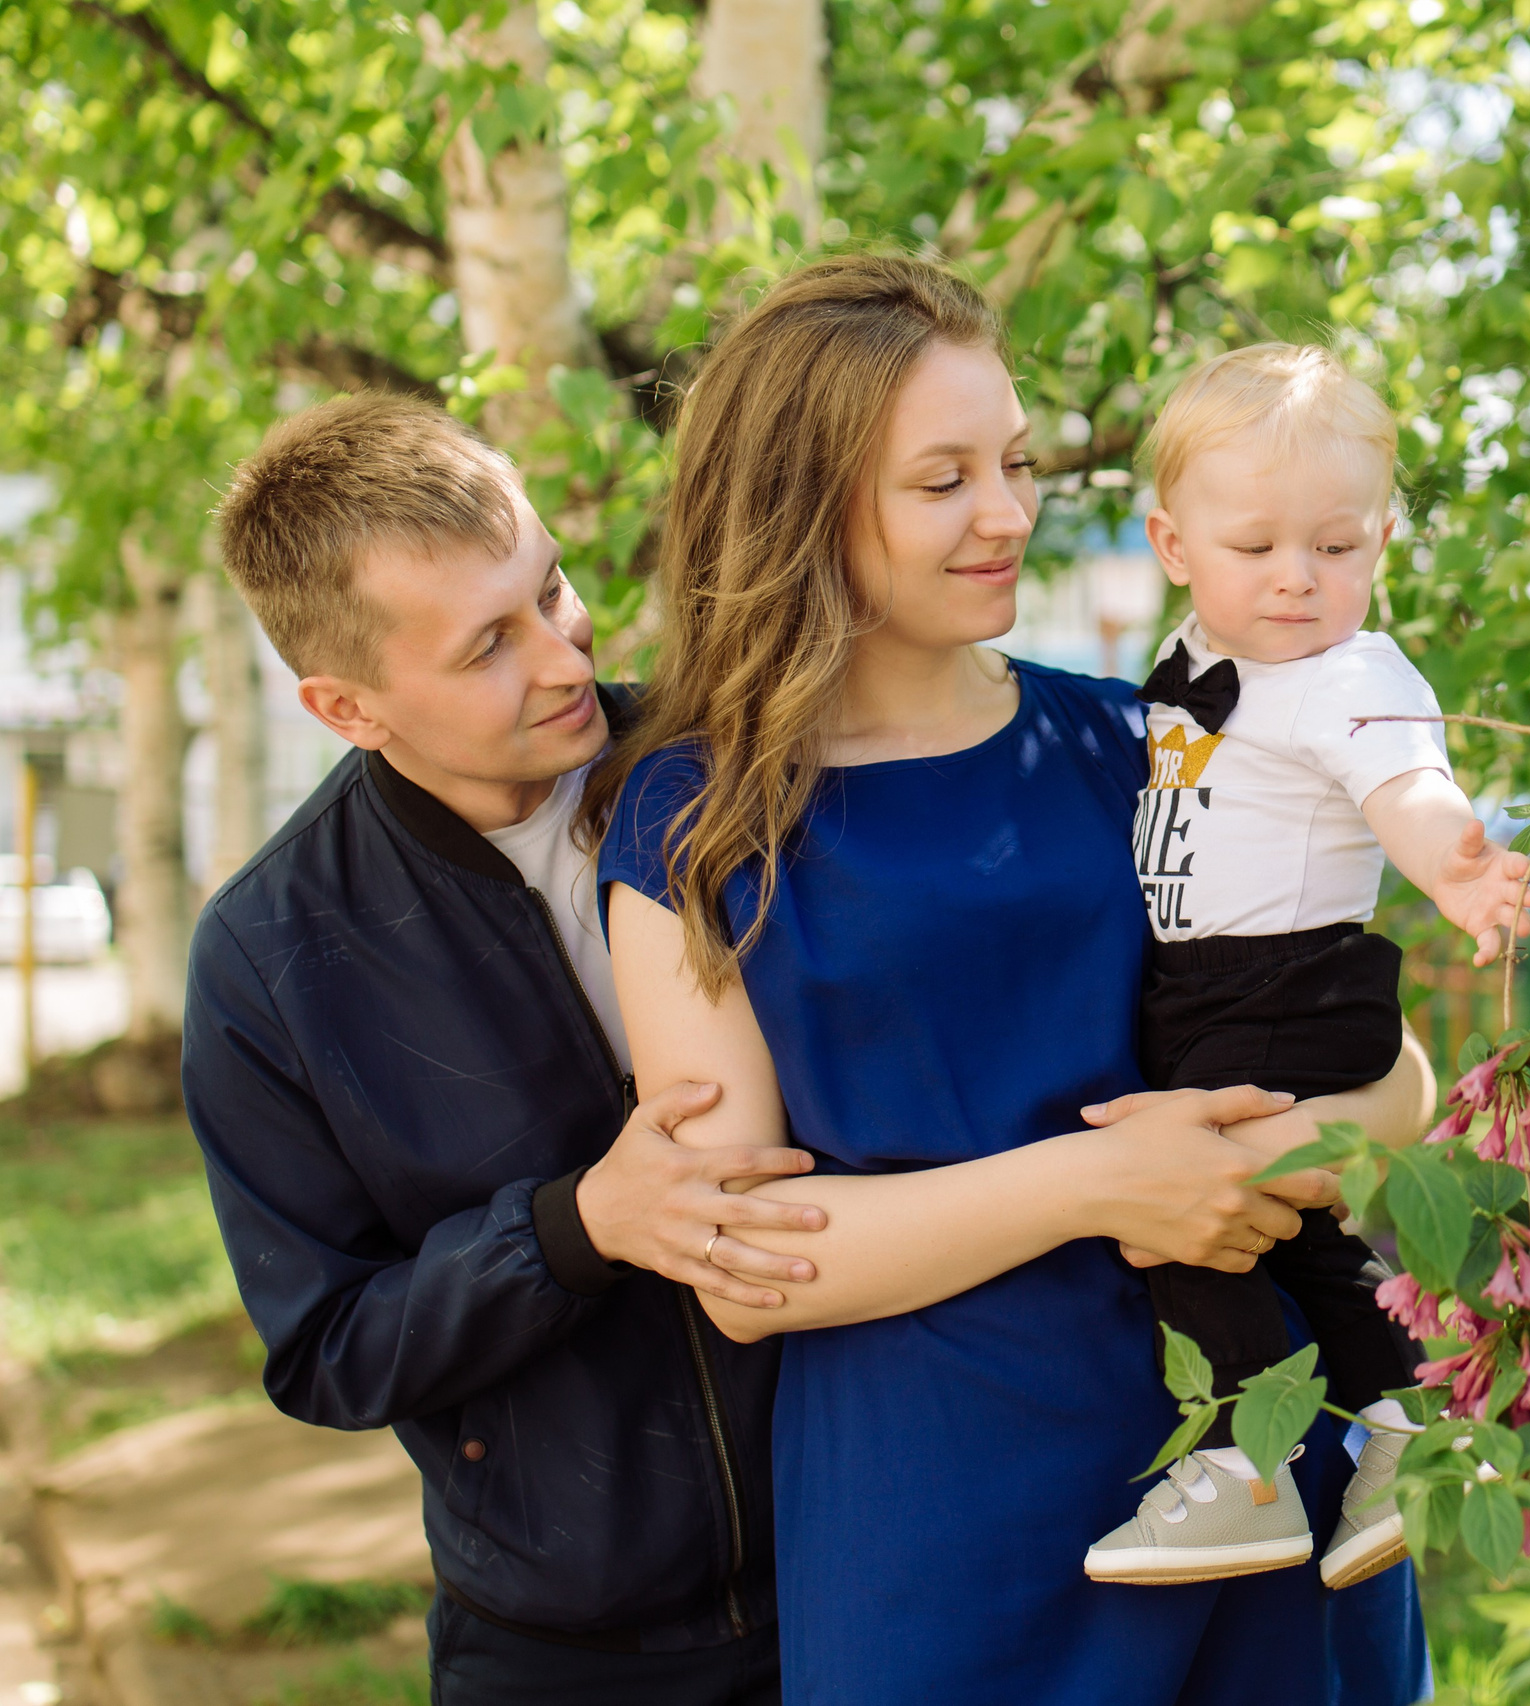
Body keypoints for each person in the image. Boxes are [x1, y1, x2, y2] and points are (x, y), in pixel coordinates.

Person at [186, 394, 1309, 1704]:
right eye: (489, 644)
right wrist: (571, 1228)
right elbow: (328, 1344)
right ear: (346, 706)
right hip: (570, 1642)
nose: (562, 656)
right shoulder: (273, 957)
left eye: (550, 590)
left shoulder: (740, 773)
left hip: (888, 1544)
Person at [590, 254, 1435, 1705]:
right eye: (944, 480)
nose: (1009, 512)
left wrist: (1266, 1152)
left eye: (1018, 462)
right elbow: (746, 1269)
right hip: (949, 1506)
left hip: (1266, 1460)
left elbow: (1392, 1078)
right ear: (801, 502)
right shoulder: (699, 818)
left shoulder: (1150, 739)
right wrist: (1098, 1183)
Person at [1087, 344, 1530, 1594]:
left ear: (1380, 541)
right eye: (1257, 545)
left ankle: (1242, 1464)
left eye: (1335, 546)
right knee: (1298, 1230)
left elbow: (1408, 783)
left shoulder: (1350, 673)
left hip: (1287, 984)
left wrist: (1453, 865)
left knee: (1183, 1210)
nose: (1297, 574)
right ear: (1175, 545)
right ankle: (1405, 1416)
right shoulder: (1191, 658)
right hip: (1209, 993)